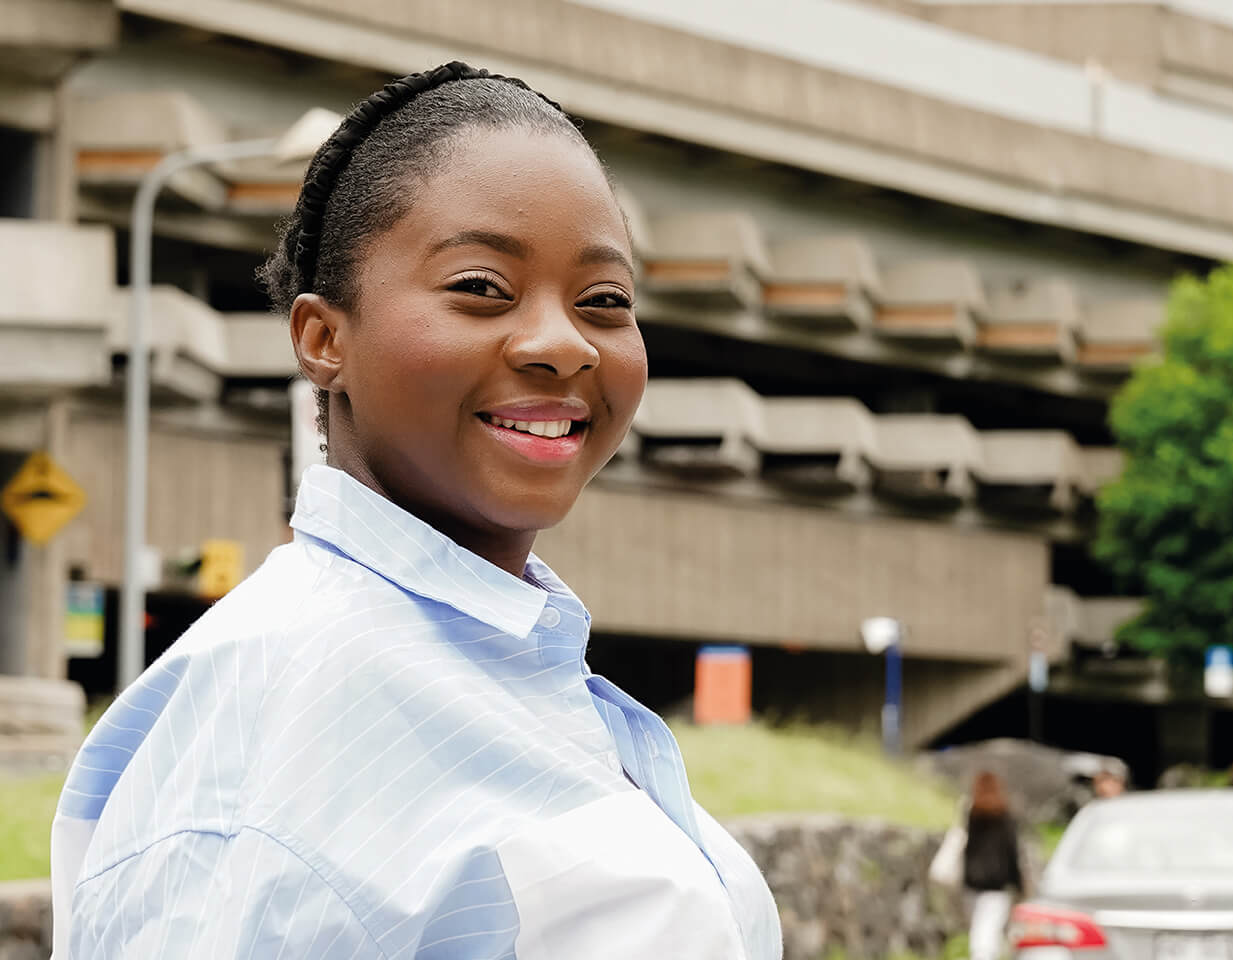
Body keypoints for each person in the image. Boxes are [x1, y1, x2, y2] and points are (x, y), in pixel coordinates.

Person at [48, 62, 780, 960]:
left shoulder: (515, 670)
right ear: (324, 339)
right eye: (480, 286)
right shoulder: (276, 728)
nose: (563, 344)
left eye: (605, 301)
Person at [962, 771, 1024, 960]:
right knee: (989, 929)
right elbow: (1012, 852)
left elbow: (967, 847)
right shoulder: (1004, 816)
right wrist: (1018, 884)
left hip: (973, 881)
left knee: (980, 928)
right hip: (997, 882)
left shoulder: (972, 814)